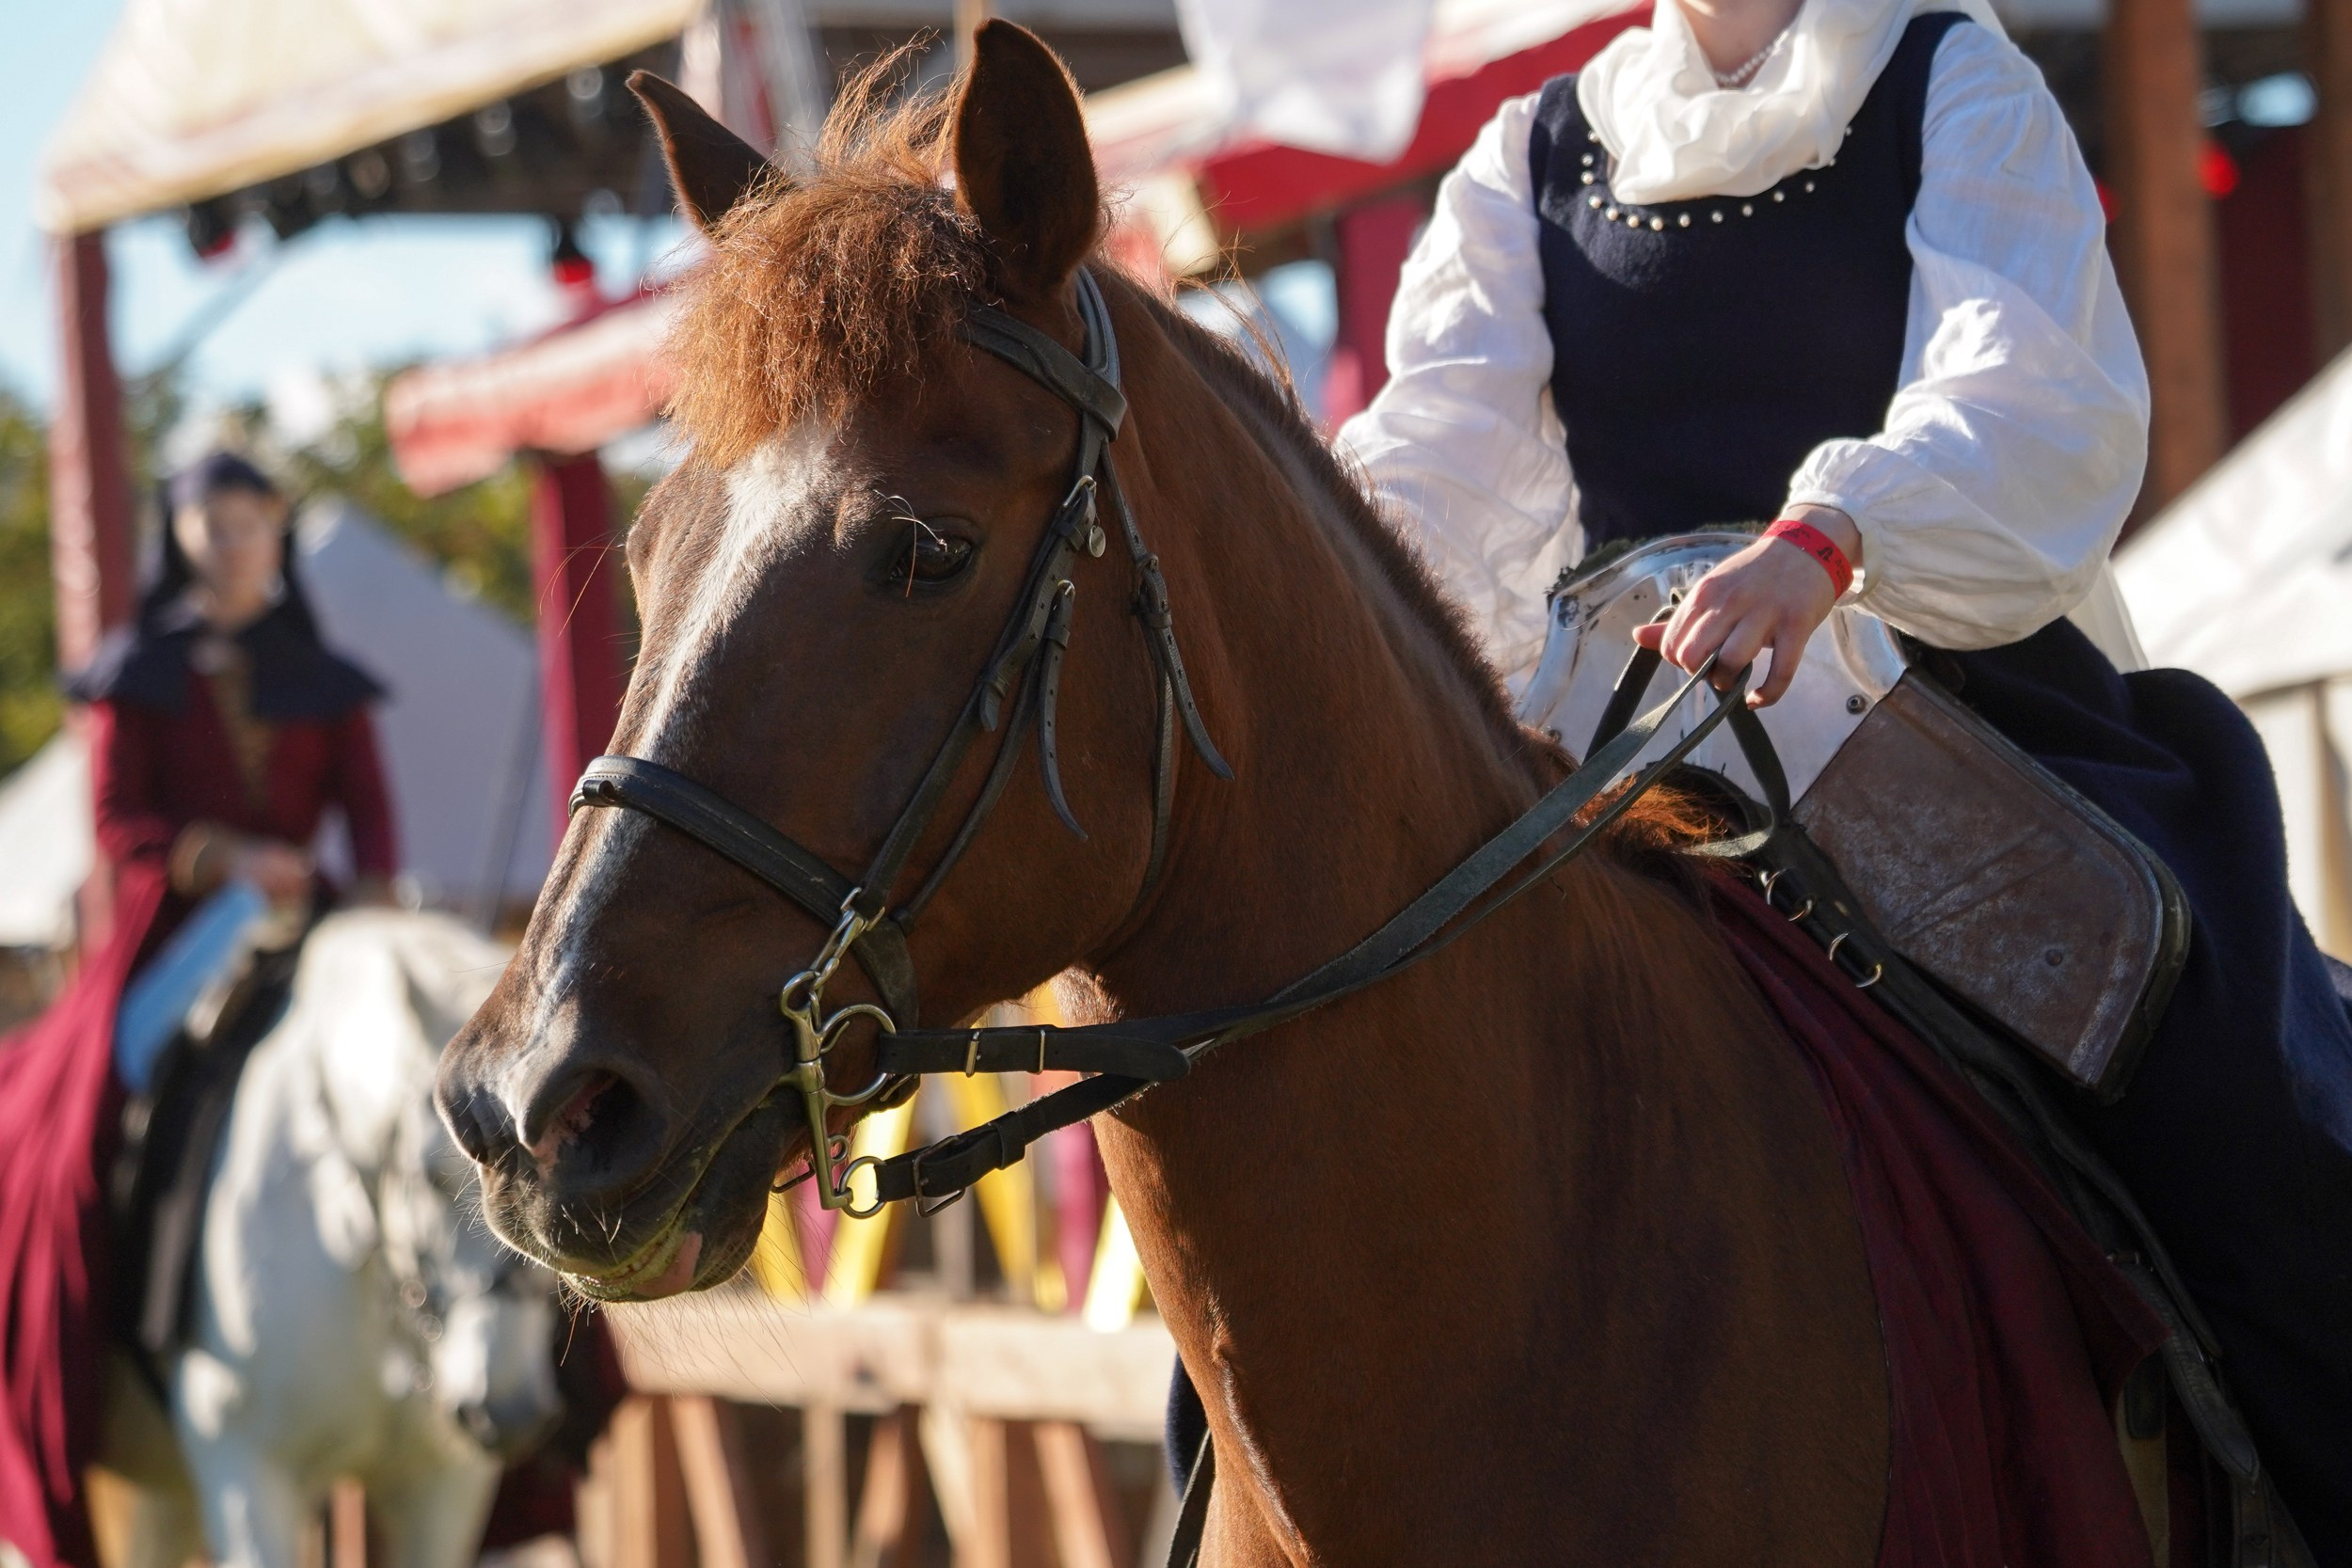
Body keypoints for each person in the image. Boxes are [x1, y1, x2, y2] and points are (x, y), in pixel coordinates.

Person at [1330, 0, 2352, 1550]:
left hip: (1920, 678)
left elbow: (2026, 388)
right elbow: (1436, 467)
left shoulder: (1949, 74)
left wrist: (1829, 536)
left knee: (2209, 1067)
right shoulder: (1530, 146)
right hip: (1616, 721)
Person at [0, 452, 396, 1568]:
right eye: (211, 524)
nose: (233, 542)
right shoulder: (140, 670)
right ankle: (101, 1344)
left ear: (277, 533)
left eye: (251, 523)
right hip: (174, 936)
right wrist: (228, 859)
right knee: (100, 1110)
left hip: (311, 927)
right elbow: (122, 819)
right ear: (179, 535)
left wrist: (368, 910)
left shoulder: (323, 673)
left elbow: (371, 818)